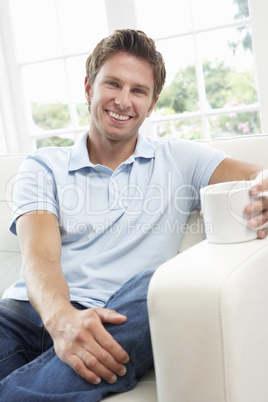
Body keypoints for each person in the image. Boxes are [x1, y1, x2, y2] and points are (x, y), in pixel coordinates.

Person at [0, 29, 267, 401]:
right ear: (89, 86)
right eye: (113, 84)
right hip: (24, 316)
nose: (123, 101)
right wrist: (62, 322)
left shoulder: (181, 158)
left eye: (138, 91)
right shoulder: (42, 165)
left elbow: (257, 175)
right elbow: (40, 256)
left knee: (158, 287)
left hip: (117, 317)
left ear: (153, 102)